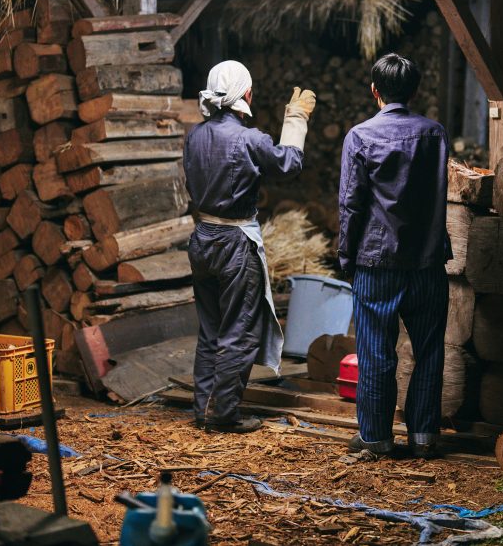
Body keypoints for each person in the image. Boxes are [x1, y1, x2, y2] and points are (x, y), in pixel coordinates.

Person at [183, 60, 317, 433]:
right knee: (238, 330)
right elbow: (289, 165)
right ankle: (223, 414)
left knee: (211, 329)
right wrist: (296, 119)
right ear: (247, 94)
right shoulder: (249, 138)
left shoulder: (194, 136)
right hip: (234, 242)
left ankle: (204, 408)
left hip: (202, 237)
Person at [338, 52, 451, 459]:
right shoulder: (434, 134)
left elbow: (351, 204)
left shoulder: (360, 136)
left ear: (375, 90)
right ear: (414, 91)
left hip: (376, 262)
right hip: (427, 262)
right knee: (429, 350)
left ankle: (376, 438)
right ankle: (423, 436)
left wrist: (346, 257)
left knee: (376, 352)